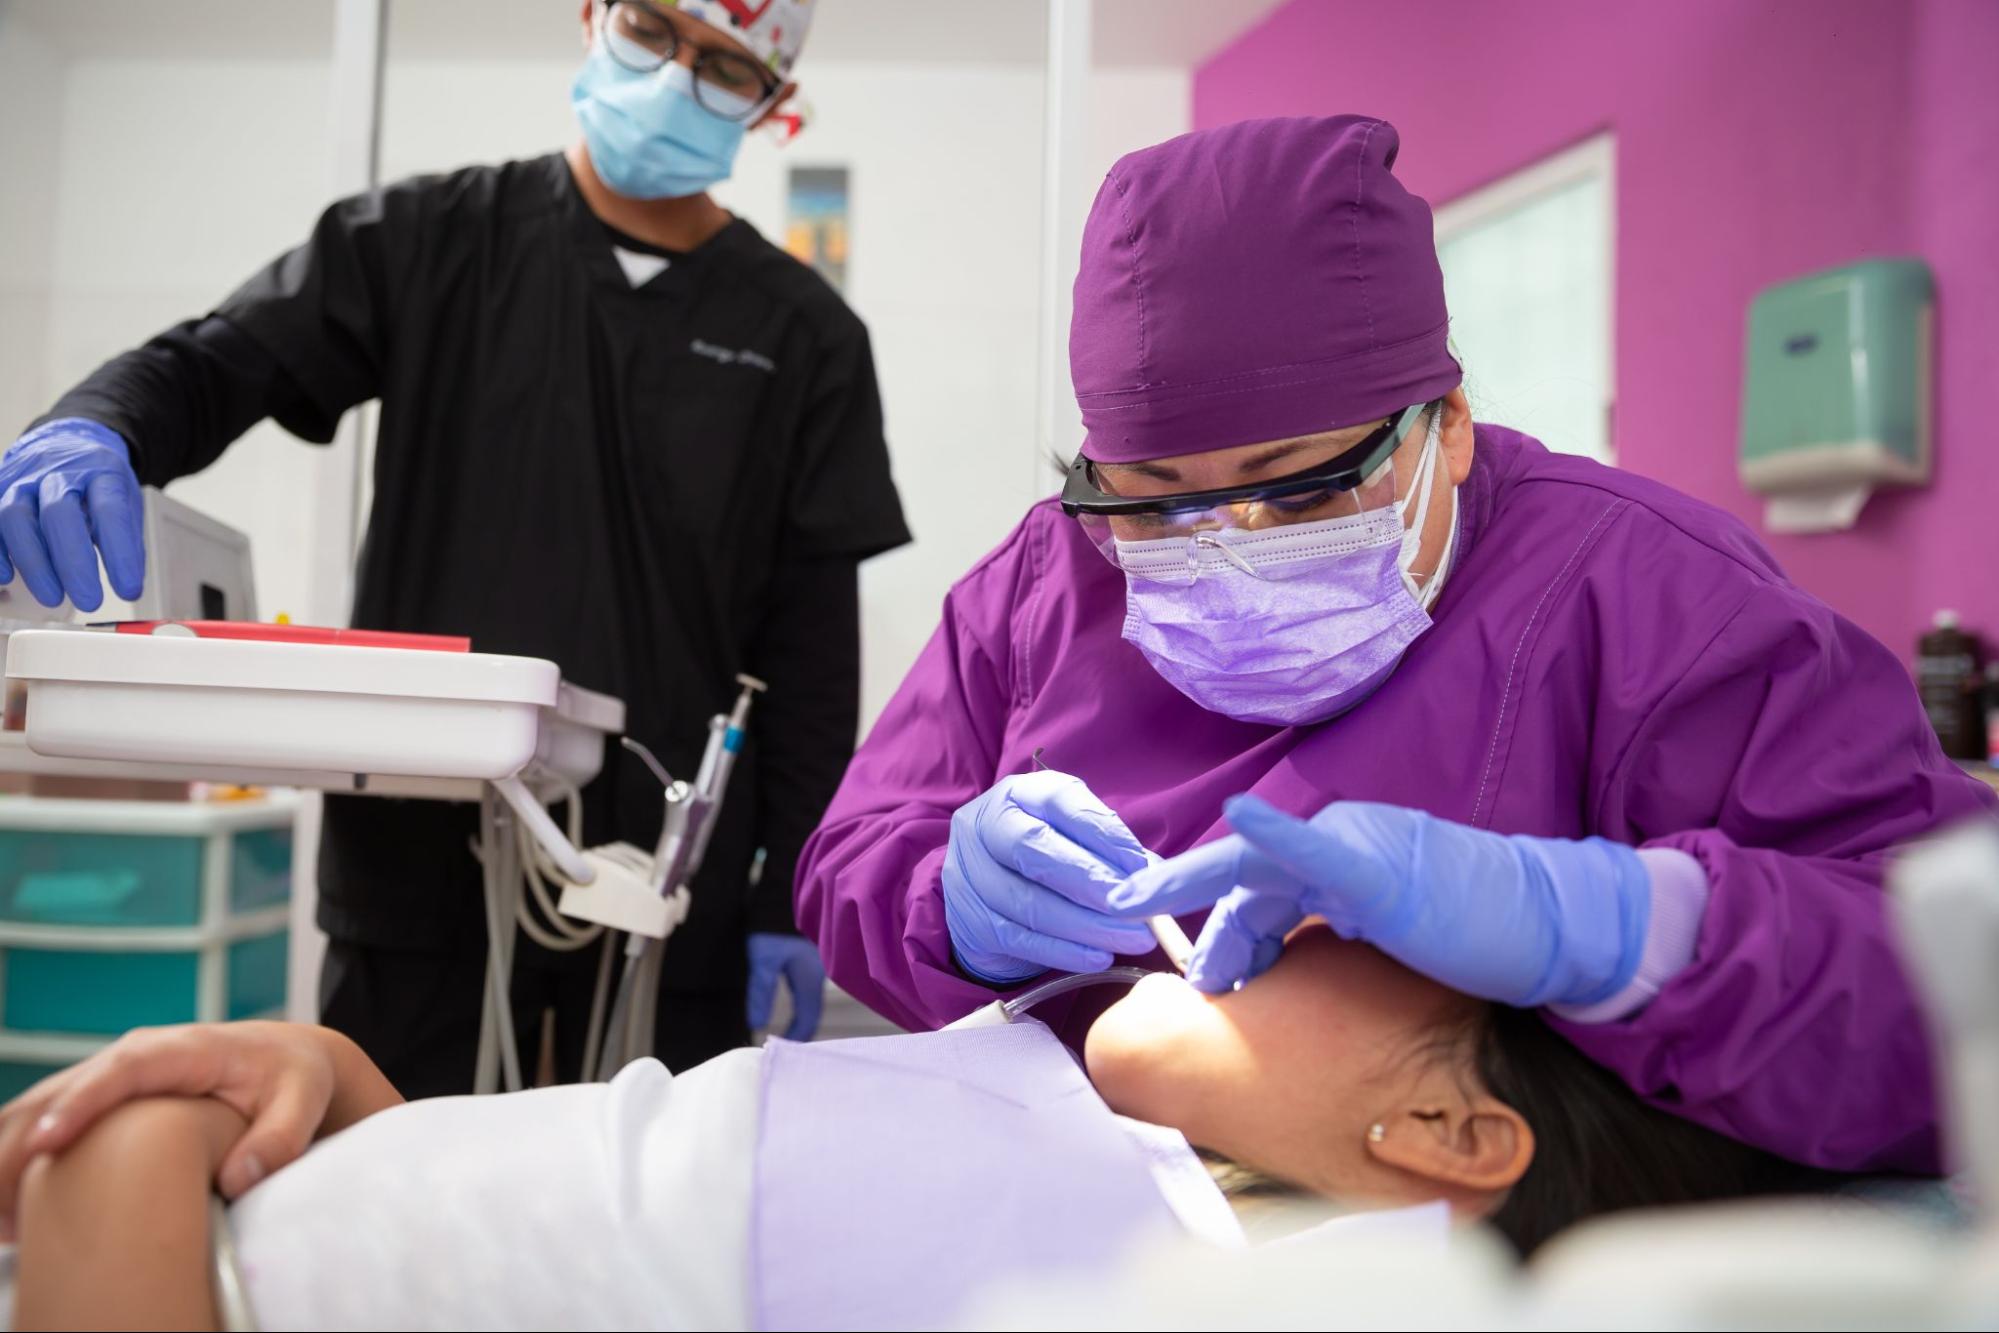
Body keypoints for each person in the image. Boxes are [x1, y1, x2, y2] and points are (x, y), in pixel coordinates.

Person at [794, 115, 1997, 1176]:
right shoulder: (1046, 574)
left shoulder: (1648, 598)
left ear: (1448, 429)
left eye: (1300, 489)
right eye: (1152, 498)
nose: (1224, 544)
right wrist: (941, 904)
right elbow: (854, 857)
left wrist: (1628, 927)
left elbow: (1953, 988)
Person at [0, 0, 909, 1090]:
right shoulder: (426, 241)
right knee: (388, 1209)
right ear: (592, 16)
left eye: (722, 65)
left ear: (771, 108)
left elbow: (811, 662)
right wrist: (98, 420)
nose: (673, 78)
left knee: (636, 1236)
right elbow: (217, 365)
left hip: (668, 903)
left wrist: (788, 898)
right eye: (653, 31)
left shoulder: (806, 337)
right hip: (418, 886)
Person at [0, 926, 1807, 1329]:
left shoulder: (1163, 1279)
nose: (1252, 901)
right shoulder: (1112, 1139)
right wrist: (336, 1081)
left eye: (1331, 933)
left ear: (1444, 1125)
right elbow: (574, 1211)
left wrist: (145, 1150)